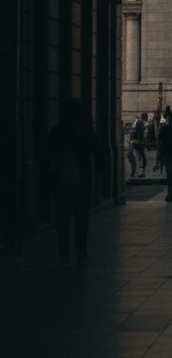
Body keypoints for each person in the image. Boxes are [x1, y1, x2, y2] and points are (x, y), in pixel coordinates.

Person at [45, 99, 104, 268]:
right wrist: (99, 171)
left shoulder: (58, 131)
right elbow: (98, 152)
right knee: (81, 218)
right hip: (82, 181)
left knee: (62, 219)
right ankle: (81, 253)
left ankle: (64, 254)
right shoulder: (85, 131)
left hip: (61, 181)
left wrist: (48, 176)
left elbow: (46, 153)